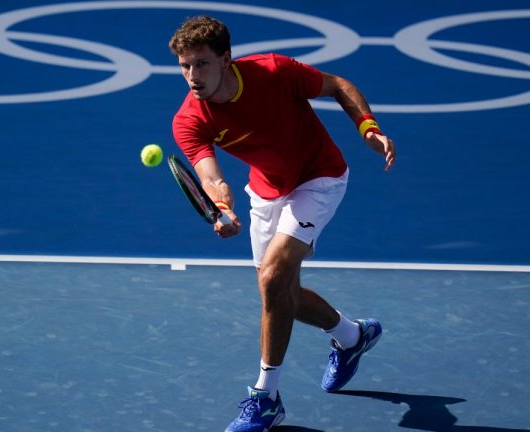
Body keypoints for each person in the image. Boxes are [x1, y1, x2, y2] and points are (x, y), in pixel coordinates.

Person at [169, 16, 396, 432]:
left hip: (319, 177)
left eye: (200, 64)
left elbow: (339, 85)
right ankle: (352, 336)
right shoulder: (188, 120)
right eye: (184, 66)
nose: (191, 76)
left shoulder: (273, 71)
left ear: (225, 59)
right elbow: (212, 177)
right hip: (265, 191)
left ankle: (266, 397)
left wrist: (367, 127)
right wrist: (222, 206)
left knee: (273, 278)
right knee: (282, 291)